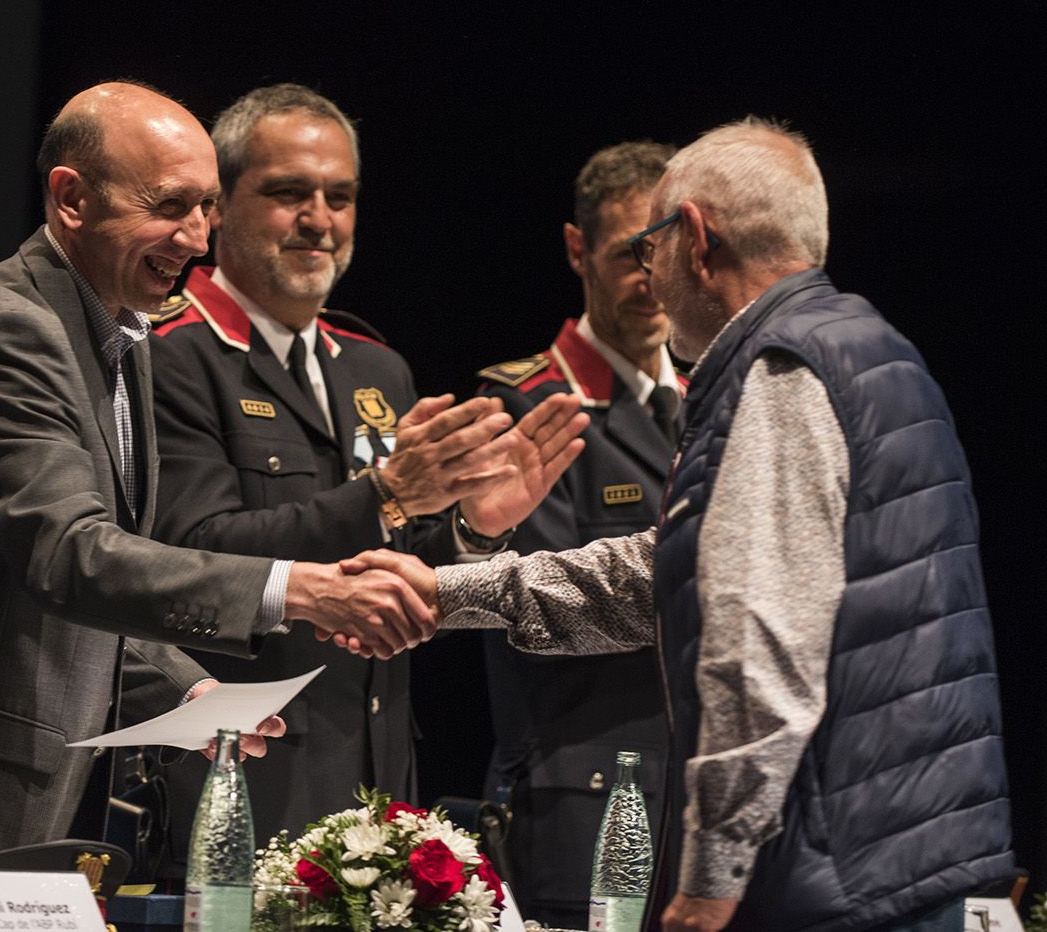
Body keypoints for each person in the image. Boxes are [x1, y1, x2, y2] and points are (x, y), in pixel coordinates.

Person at [0, 83, 581, 892]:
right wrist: (303, 587)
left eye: (206, 207)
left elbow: (103, 586)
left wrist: (192, 691)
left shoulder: (121, 331)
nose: (196, 236)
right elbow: (70, 556)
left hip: (69, 793)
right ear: (71, 198)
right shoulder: (12, 330)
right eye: (170, 206)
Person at [339, 119, 1012, 931]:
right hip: (895, 849)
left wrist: (710, 878)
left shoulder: (782, 371)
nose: (649, 274)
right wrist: (448, 590)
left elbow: (756, 644)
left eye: (650, 246)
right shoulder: (871, 350)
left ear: (695, 239)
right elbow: (668, 573)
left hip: (826, 874)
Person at [148, 84, 534, 856]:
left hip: (371, 782)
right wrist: (383, 494)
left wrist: (473, 530)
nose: (319, 219)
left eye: (340, 196)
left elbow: (399, 573)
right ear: (218, 207)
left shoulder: (376, 368)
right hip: (232, 776)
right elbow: (195, 553)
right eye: (289, 192)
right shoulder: (171, 354)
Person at [474, 140, 678, 926]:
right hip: (582, 801)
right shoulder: (523, 405)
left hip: (702, 805)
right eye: (630, 253)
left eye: (666, 252)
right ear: (576, 248)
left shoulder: (715, 401)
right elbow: (541, 607)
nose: (651, 277)